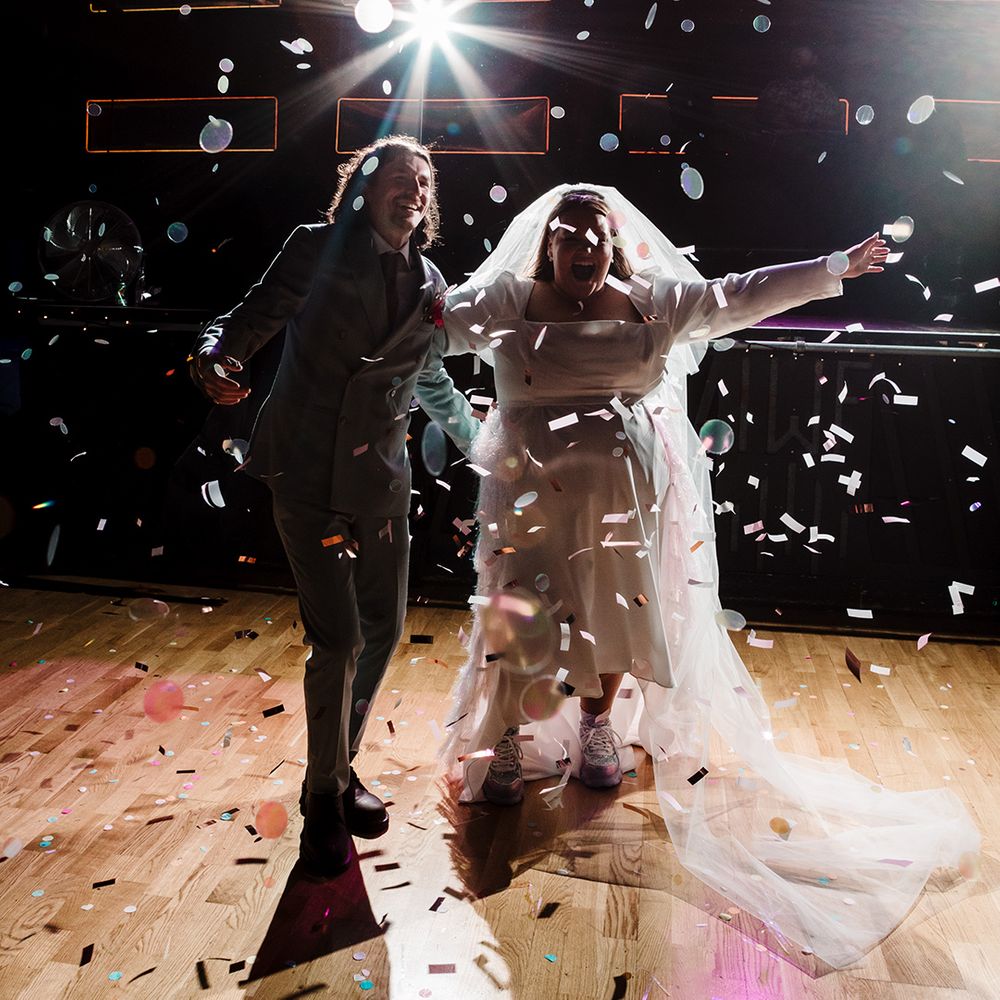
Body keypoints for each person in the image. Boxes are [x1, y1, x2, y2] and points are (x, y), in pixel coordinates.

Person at [439, 185, 980, 967]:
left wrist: (834, 266)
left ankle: (597, 726)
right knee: (521, 611)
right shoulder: (506, 299)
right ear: (548, 245)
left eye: (596, 235)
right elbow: (429, 328)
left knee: (615, 609)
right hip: (525, 483)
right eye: (569, 236)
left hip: (625, 484)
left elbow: (739, 295)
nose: (583, 248)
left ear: (612, 243)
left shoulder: (652, 301)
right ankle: (513, 741)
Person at [190, 135, 478, 879]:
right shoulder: (315, 248)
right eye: (397, 178)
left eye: (424, 182)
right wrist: (214, 357)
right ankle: (323, 805)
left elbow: (429, 381)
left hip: (381, 481)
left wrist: (483, 443)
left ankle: (338, 769)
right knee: (340, 640)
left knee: (382, 634)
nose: (413, 190)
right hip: (307, 474)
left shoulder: (433, 280)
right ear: (362, 187)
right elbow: (244, 321)